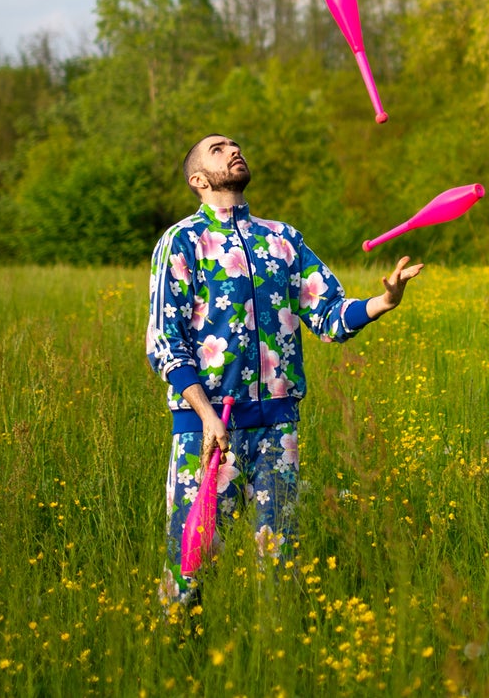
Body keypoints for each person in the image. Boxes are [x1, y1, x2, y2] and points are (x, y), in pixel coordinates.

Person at [145, 133, 422, 608]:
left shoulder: (282, 239)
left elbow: (329, 315)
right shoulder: (182, 241)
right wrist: (207, 416)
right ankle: (175, 658)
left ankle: (274, 656)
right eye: (218, 149)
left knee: (281, 568)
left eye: (234, 145)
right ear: (197, 179)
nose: (233, 150)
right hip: (207, 432)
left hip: (278, 430)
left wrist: (384, 302)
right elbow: (165, 342)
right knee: (189, 569)